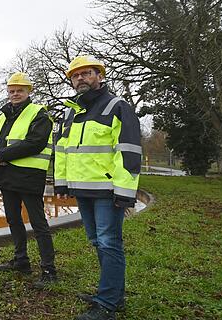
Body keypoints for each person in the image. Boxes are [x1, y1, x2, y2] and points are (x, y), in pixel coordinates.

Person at [54, 56, 142, 320]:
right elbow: (62, 150)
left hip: (108, 191)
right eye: (75, 75)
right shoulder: (71, 112)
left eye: (87, 73)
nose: (80, 78)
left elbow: (127, 151)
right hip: (83, 189)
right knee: (97, 241)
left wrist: (124, 192)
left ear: (99, 76)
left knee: (108, 243)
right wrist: (62, 182)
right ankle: (114, 295)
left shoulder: (117, 106)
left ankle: (106, 304)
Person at [0, 72, 56, 288]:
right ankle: (21, 261)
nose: (15, 94)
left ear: (28, 92)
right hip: (6, 175)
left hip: (28, 176)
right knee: (13, 219)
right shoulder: (2, 116)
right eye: (12, 91)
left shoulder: (40, 114)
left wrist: (2, 156)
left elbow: (34, 142)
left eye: (20, 91)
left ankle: (49, 270)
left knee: (38, 223)